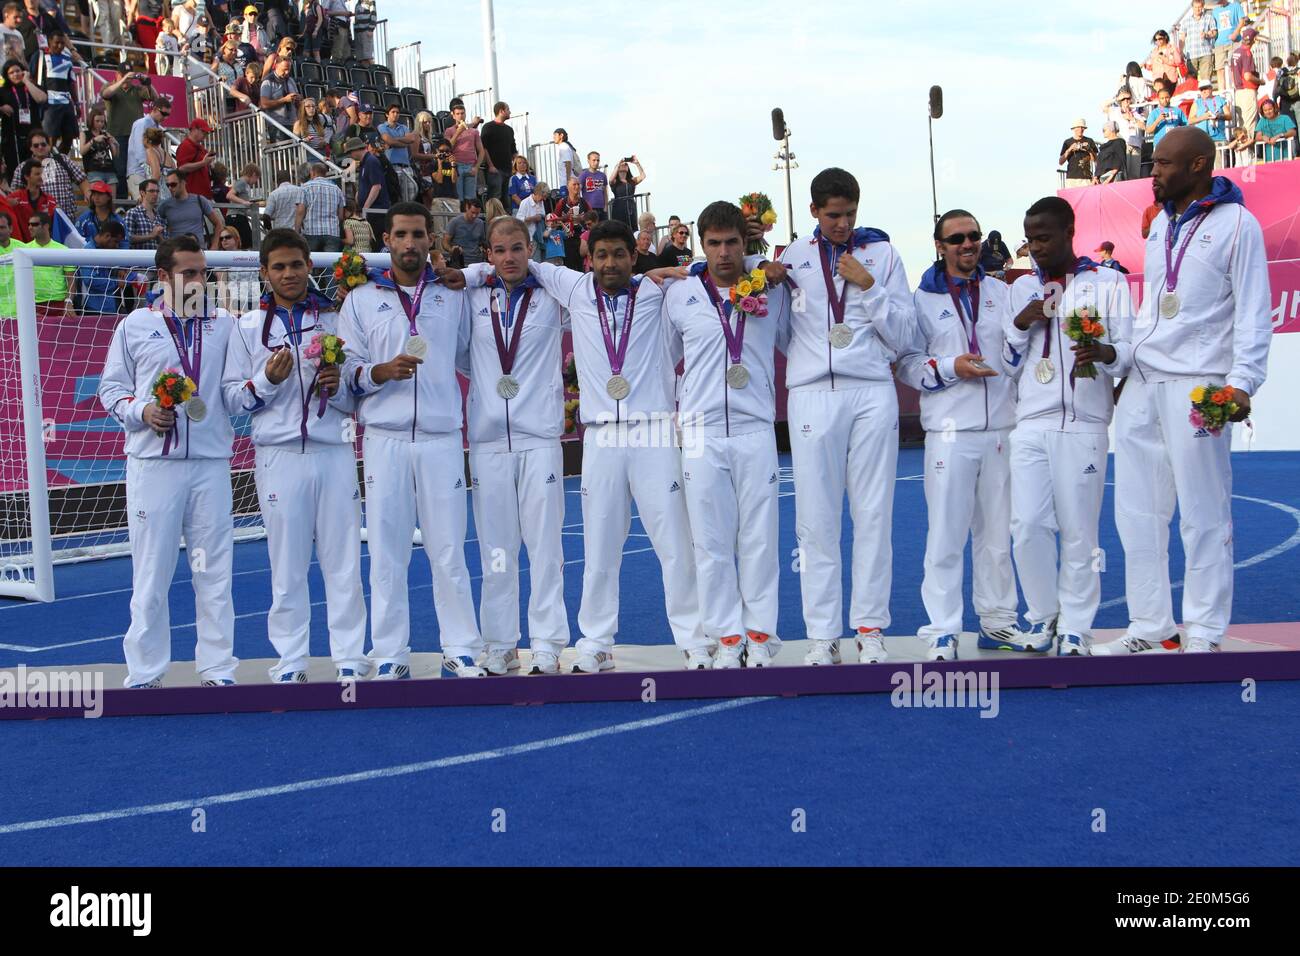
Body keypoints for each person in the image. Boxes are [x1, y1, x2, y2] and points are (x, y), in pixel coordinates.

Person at [456, 218, 707, 672]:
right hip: (600, 434)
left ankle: (694, 639)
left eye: (619, 255)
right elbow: (508, 263)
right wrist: (473, 271)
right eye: (601, 255)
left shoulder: (658, 293)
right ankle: (595, 642)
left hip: (653, 430)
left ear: (635, 257)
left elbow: (711, 272)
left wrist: (672, 270)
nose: (610, 263)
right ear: (587, 260)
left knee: (674, 542)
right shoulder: (571, 287)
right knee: (600, 546)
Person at [1094, 127, 1271, 655]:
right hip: (1145, 381)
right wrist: (1121, 357)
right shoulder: (1159, 227)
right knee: (1136, 511)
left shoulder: (1239, 225)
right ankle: (1151, 626)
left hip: (1199, 385)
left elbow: (1254, 311)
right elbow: (1156, 311)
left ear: (1198, 166)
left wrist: (1242, 383)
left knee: (1203, 510)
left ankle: (1206, 629)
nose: (1155, 172)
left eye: (1166, 164)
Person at [337, 202, 485, 678]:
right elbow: (345, 371)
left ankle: (461, 648)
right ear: (386, 240)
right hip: (385, 438)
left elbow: (470, 358)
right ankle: (389, 654)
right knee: (387, 550)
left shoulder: (452, 295)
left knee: (449, 549)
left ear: (430, 240)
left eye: (418, 234)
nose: (409, 243)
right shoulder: (360, 299)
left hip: (443, 437)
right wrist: (378, 372)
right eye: (401, 234)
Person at [775, 168, 914, 666]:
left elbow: (904, 334)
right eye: (833, 215)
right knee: (815, 519)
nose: (842, 223)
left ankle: (871, 629)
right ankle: (821, 634)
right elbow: (779, 330)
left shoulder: (882, 254)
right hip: (812, 396)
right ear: (814, 211)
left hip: (872, 391)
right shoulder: (792, 258)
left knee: (874, 513)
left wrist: (870, 287)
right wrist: (811, 362)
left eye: (850, 214)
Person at [220, 229, 367, 683]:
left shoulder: (337, 317)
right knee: (286, 562)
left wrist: (337, 386)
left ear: (309, 266)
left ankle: (348, 657)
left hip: (335, 452)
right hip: (278, 457)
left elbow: (359, 393)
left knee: (343, 559)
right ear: (264, 272)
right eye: (279, 267)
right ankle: (291, 660)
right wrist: (265, 381)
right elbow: (230, 400)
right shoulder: (245, 328)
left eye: (296, 265)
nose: (289, 274)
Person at [96, 235, 240, 688]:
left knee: (212, 570)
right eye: (189, 273)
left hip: (210, 465)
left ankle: (217, 668)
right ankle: (145, 670)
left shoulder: (225, 325)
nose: (200, 280)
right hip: (153, 467)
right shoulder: (135, 325)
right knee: (152, 572)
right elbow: (110, 389)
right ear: (163, 277)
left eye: (203, 272)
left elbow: (233, 392)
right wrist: (143, 411)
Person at [1001, 198, 1134, 657]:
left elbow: (1130, 354)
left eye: (1044, 237)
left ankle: (1076, 625)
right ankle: (1041, 618)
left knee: (1079, 529)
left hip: (1084, 422)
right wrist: (1020, 325)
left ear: (1069, 231)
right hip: (1031, 421)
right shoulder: (1019, 290)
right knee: (1027, 524)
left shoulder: (1108, 282)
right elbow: (1006, 363)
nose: (1035, 247)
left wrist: (1107, 354)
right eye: (1030, 238)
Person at [662, 201, 791, 668]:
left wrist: (764, 264)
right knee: (711, 543)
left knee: (759, 538)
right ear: (701, 245)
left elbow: (793, 340)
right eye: (713, 243)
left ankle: (760, 634)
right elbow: (665, 360)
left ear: (745, 242)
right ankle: (727, 637)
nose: (722, 253)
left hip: (756, 428)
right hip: (701, 432)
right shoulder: (679, 294)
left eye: (731, 242)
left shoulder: (771, 287)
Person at [896, 209, 1025, 661]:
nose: (967, 245)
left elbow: (1016, 352)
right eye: (957, 239)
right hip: (949, 432)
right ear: (940, 246)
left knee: (997, 535)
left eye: (973, 237)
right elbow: (907, 363)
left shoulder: (1002, 292)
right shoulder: (920, 300)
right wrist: (952, 368)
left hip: (1000, 429)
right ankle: (943, 628)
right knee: (946, 535)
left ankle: (998, 622)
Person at [451, 217, 572, 675]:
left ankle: (546, 642)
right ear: (489, 253)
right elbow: (464, 354)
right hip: (487, 442)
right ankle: (500, 642)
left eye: (517, 248)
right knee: (496, 548)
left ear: (530, 248)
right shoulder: (474, 298)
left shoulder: (552, 297)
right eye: (499, 250)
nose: (509, 258)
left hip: (539, 437)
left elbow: (591, 287)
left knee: (545, 546)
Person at [99, 62, 154, 199]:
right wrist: (123, 79)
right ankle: (122, 200)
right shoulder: (111, 86)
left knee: (140, 168)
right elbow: (105, 94)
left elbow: (154, 98)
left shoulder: (136, 89)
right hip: (118, 135)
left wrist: (147, 83)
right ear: (117, 75)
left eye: (129, 77)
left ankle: (141, 197)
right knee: (120, 169)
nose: (128, 80)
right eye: (124, 75)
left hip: (136, 136)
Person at [33, 30, 82, 153]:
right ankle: (48, 161)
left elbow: (71, 83)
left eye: (62, 43)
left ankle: (59, 160)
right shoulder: (41, 56)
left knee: (70, 136)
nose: (59, 46)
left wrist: (76, 103)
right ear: (49, 41)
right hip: (50, 103)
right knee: (50, 136)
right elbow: (33, 78)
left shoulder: (67, 59)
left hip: (66, 102)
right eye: (56, 43)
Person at [0, 58, 45, 177]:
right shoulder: (3, 91)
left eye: (18, 71)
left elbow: (41, 98)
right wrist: (1, 108)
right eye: (11, 73)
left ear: (23, 71)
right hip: (13, 139)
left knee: (34, 171)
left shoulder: (32, 86)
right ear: (6, 76)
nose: (15, 74)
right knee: (15, 172)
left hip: (33, 139)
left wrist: (27, 81)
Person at [24, 209, 73, 313]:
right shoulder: (24, 249)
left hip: (59, 304)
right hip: (32, 305)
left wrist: (68, 302)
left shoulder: (63, 250)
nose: (30, 227)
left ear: (46, 226)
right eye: (29, 224)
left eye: (34, 224)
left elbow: (71, 280)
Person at [159, 169, 224, 247]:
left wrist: (214, 246)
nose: (170, 188)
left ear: (183, 183)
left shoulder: (199, 200)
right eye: (167, 185)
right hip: (175, 252)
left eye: (173, 184)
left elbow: (218, 224)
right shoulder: (165, 205)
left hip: (197, 250)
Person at [344, 135, 387, 240]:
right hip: (371, 211)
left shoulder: (370, 161)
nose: (350, 155)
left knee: (376, 240)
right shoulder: (365, 163)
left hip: (376, 211)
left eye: (350, 152)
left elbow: (376, 186)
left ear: (356, 150)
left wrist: (366, 208)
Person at [126, 96, 170, 199]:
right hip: (139, 171)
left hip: (149, 172)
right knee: (145, 205)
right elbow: (140, 150)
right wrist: (150, 170)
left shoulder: (155, 126)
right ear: (154, 109)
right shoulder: (142, 123)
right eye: (163, 113)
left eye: (167, 115)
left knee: (151, 206)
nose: (165, 117)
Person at [446, 101, 487, 204]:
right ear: (453, 115)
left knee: (470, 199)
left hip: (470, 166)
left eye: (462, 113)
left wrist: (476, 167)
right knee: (458, 199)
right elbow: (447, 147)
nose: (460, 116)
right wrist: (458, 131)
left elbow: (481, 151)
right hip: (456, 166)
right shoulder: (449, 131)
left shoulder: (474, 131)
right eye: (458, 114)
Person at [6, 157, 55, 242]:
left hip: (43, 248)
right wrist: (8, 205)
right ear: (27, 176)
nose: (41, 177)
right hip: (20, 247)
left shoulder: (50, 200)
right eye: (37, 174)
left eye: (42, 174)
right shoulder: (13, 198)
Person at [299, 162, 344, 251]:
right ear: (325, 173)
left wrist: (297, 231)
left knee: (312, 262)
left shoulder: (305, 187)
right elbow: (341, 216)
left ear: (312, 172)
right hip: (332, 232)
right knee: (331, 263)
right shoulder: (337, 189)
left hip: (311, 232)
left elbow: (300, 212)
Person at [479, 101, 515, 207]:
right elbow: (484, 148)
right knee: (495, 197)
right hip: (495, 170)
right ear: (501, 111)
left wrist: (514, 166)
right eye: (508, 109)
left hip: (508, 170)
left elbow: (513, 149)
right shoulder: (488, 127)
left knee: (506, 199)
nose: (510, 112)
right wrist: (491, 166)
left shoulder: (509, 130)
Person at [1189, 77, 1231, 167]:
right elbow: (1190, 120)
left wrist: (1219, 116)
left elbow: (1229, 116)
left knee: (1220, 166)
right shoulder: (1197, 102)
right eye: (1202, 89)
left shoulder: (1219, 99)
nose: (1204, 91)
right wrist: (1203, 117)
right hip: (1202, 139)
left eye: (1206, 88)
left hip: (1218, 138)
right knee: (1203, 168)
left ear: (1211, 88)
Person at [259, 54, 301, 141]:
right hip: (277, 124)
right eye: (284, 69)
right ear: (276, 66)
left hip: (293, 123)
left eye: (288, 69)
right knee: (282, 153)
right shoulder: (268, 81)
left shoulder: (290, 80)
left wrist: (298, 98)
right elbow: (264, 104)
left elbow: (297, 100)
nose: (287, 72)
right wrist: (284, 100)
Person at [1231, 28, 1263, 136]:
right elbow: (1247, 76)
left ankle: (1241, 152)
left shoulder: (1236, 52)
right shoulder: (1246, 53)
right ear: (1253, 39)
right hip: (1247, 91)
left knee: (1241, 125)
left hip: (1238, 91)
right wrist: (1260, 81)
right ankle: (1248, 152)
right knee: (1248, 126)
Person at [76, 180, 127, 247]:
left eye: (100, 194)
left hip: (112, 256)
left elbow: (125, 243)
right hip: (89, 256)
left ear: (109, 197)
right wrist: (94, 241)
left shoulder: (119, 220)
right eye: (94, 194)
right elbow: (77, 242)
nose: (96, 197)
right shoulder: (83, 219)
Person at [174, 117, 216, 199]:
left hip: (203, 194)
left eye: (207, 133)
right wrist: (203, 163)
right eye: (203, 131)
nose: (206, 134)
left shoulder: (200, 147)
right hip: (193, 195)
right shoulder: (185, 146)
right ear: (193, 129)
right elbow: (182, 168)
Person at [554, 177, 590, 270]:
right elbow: (554, 220)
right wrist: (565, 218)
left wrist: (582, 218)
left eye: (578, 184)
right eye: (574, 184)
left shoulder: (583, 202)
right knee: (570, 266)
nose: (577, 187)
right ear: (568, 187)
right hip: (567, 238)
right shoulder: (562, 202)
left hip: (581, 237)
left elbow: (592, 216)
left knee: (581, 265)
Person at [1178, 0, 1219, 83]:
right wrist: (1181, 51)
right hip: (1191, 54)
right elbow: (1182, 37)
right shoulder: (1186, 21)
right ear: (1192, 8)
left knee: (1206, 80)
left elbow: (1214, 32)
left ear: (1203, 7)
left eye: (1199, 7)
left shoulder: (1209, 18)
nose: (1197, 9)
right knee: (1191, 80)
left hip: (1205, 53)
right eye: (1195, 7)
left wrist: (1207, 34)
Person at [124, 177, 166, 250]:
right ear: (142, 192)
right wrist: (151, 236)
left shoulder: (160, 217)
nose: (155, 194)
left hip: (156, 259)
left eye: (157, 191)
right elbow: (127, 238)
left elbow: (166, 245)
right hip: (138, 259)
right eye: (152, 191)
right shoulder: (132, 213)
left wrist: (159, 237)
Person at [443, 197, 485, 266]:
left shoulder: (480, 223)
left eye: (477, 213)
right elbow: (445, 242)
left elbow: (482, 242)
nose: (474, 216)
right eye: (472, 212)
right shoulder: (455, 222)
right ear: (466, 208)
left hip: (476, 261)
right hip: (460, 261)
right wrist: (452, 250)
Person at [1254, 98, 1296, 162]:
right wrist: (1263, 137)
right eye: (1265, 110)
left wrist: (1280, 135)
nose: (1268, 112)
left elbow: (1293, 132)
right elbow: (1257, 136)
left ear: (1275, 108)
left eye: (1270, 109)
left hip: (1286, 156)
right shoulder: (1262, 121)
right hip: (1269, 158)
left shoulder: (1285, 118)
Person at [608, 156, 644, 229]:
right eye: (622, 164)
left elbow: (643, 176)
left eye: (626, 164)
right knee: (620, 227)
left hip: (631, 207)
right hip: (619, 207)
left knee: (632, 227)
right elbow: (611, 180)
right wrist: (618, 164)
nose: (624, 165)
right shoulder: (615, 181)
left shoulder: (631, 181)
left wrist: (637, 163)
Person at [1060, 119, 1098, 187]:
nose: (1080, 129)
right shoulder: (1067, 142)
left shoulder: (1089, 141)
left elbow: (1095, 160)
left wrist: (1089, 150)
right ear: (1074, 129)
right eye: (1078, 127)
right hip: (1071, 178)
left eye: (1082, 127)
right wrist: (1070, 149)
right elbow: (1061, 162)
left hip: (1086, 178)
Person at [515, 179, 547, 255]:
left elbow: (543, 215)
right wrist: (533, 218)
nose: (545, 199)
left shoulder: (541, 202)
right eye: (544, 196)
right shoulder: (525, 202)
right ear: (538, 193)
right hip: (529, 238)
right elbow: (518, 221)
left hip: (539, 237)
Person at [578, 151, 607, 220]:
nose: (596, 162)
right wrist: (581, 206)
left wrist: (606, 206)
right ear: (588, 161)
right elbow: (578, 191)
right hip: (589, 208)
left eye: (598, 160)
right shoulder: (583, 175)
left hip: (601, 208)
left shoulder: (602, 175)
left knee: (603, 229)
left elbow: (605, 192)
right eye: (594, 160)